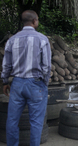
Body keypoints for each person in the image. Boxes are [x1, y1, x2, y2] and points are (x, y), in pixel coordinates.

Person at [1, 10, 51, 146]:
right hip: (36, 84)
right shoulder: (42, 39)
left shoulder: (12, 40)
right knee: (36, 122)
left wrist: (5, 81)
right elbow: (46, 66)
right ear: (34, 21)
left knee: (12, 120)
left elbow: (6, 65)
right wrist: (44, 82)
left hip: (17, 84)